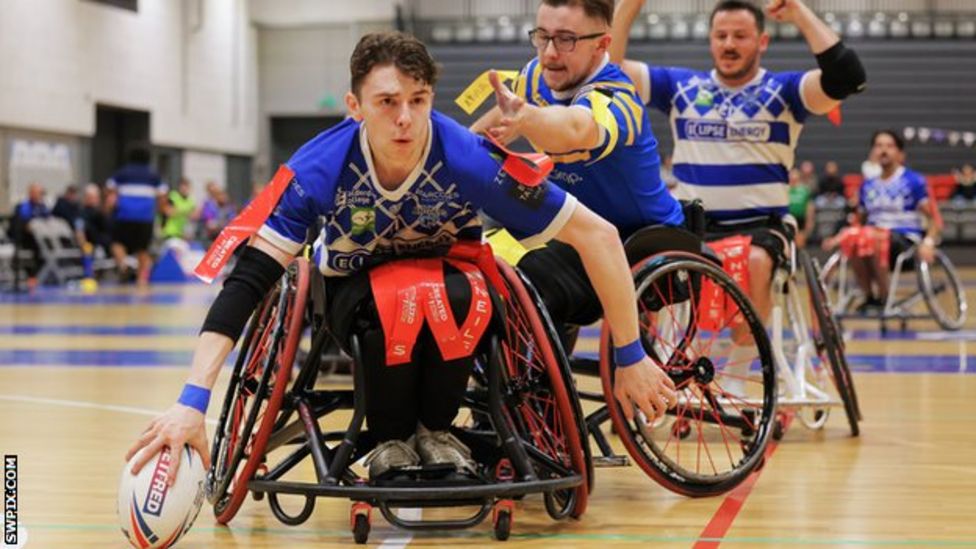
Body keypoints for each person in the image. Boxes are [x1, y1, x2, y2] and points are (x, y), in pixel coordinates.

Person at [126, 31, 676, 482]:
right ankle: (389, 438)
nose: (405, 118)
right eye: (387, 102)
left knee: (458, 293)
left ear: (432, 100)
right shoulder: (318, 168)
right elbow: (247, 281)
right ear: (355, 106)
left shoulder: (465, 156)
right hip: (354, 296)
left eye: (418, 100)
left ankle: (438, 430)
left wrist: (630, 356)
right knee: (396, 300)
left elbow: (599, 235)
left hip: (454, 293)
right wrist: (192, 400)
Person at [609, 0, 866, 326]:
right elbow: (609, 73)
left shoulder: (785, 91)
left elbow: (849, 78)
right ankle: (652, 361)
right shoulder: (681, 86)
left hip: (761, 226)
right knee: (642, 264)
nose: (729, 44)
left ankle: (741, 368)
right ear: (711, 40)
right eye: (721, 36)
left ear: (762, 42)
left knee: (755, 262)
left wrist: (799, 13)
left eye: (740, 36)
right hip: (692, 224)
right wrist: (630, 6)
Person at [471, 0, 685, 338]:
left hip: (638, 237)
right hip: (570, 228)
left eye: (566, 39)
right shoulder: (534, 76)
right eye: (542, 36)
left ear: (602, 44)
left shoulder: (618, 98)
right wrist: (454, 150)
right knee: (479, 258)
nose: (550, 52)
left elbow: (574, 128)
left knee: (531, 280)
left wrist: (528, 118)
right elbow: (502, 114)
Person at [823, 130, 939, 311]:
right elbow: (858, 222)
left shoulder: (914, 181)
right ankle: (870, 296)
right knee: (856, 238)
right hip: (870, 239)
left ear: (900, 153)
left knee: (872, 235)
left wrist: (929, 242)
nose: (883, 150)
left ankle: (885, 298)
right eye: (878, 146)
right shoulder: (867, 185)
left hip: (905, 242)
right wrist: (842, 236)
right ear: (873, 152)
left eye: (889, 146)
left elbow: (933, 220)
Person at [106, 144, 167, 286]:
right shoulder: (154, 175)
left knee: (116, 243)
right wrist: (161, 212)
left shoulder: (121, 173)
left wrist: (110, 209)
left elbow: (110, 192)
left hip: (124, 216)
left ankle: (124, 265)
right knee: (143, 248)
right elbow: (163, 196)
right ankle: (141, 279)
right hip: (146, 218)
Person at [11, 182, 49, 289]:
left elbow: (48, 220)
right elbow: (24, 224)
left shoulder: (43, 207)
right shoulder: (24, 206)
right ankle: (32, 276)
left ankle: (37, 276)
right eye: (38, 193)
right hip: (26, 240)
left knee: (48, 248)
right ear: (31, 193)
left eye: (41, 193)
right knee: (37, 249)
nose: (40, 195)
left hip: (43, 238)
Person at [787, 167, 814, 248]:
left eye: (795, 175)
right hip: (787, 220)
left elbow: (809, 208)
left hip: (800, 220)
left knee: (799, 242)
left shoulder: (804, 190)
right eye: (791, 175)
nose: (793, 177)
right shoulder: (785, 189)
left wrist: (809, 224)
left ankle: (799, 258)